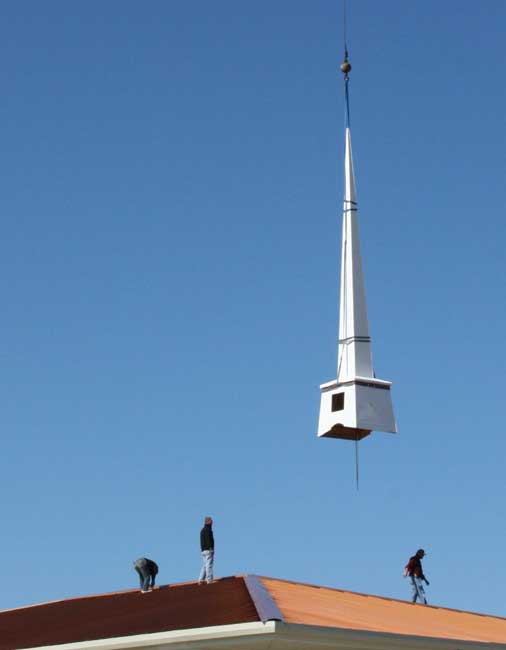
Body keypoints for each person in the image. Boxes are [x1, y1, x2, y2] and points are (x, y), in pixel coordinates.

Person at [198, 516, 214, 584]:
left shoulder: (202, 530)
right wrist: (211, 548)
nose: (212, 522)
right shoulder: (208, 530)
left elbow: (202, 541)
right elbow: (208, 540)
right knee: (208, 565)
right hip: (208, 550)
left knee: (204, 565)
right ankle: (209, 580)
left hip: (203, 550)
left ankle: (201, 579)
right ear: (209, 522)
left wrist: (202, 549)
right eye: (211, 521)